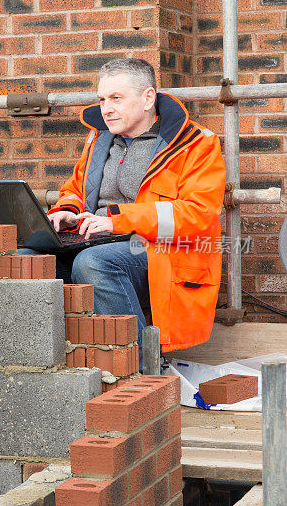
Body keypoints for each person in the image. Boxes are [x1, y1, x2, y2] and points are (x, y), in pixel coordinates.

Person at [21, 57, 226, 367]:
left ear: (147, 98)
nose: (106, 108)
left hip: (163, 253)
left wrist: (118, 221)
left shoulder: (196, 145)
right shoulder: (98, 139)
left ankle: (143, 371)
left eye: (116, 98)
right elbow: (76, 190)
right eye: (102, 99)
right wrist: (67, 212)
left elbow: (196, 215)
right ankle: (51, 368)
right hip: (95, 240)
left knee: (93, 263)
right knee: (26, 261)